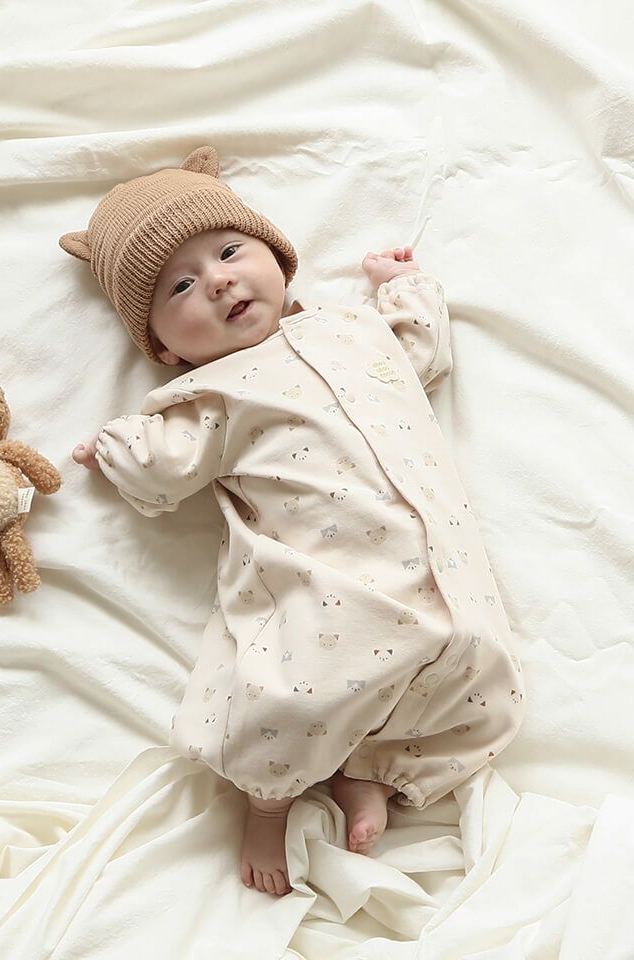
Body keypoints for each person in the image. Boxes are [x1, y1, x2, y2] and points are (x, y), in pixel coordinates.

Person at [61, 146, 525, 897]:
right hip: (333, 586)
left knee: (477, 669)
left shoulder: (352, 329)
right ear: (164, 347)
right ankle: (269, 799)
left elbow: (418, 354)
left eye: (228, 252)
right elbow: (166, 465)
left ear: (277, 258)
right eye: (180, 285)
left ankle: (372, 772)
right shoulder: (214, 394)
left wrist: (401, 287)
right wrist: (115, 449)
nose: (217, 281)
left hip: (441, 565)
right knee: (299, 693)